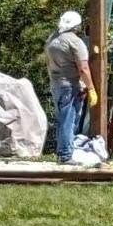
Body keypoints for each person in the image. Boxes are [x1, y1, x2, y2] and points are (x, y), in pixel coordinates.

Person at [45, 10, 97, 164]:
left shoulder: (52, 40)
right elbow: (83, 68)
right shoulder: (75, 42)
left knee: (62, 119)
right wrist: (91, 88)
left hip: (56, 84)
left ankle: (64, 151)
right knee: (69, 119)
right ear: (77, 26)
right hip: (70, 86)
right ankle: (66, 155)